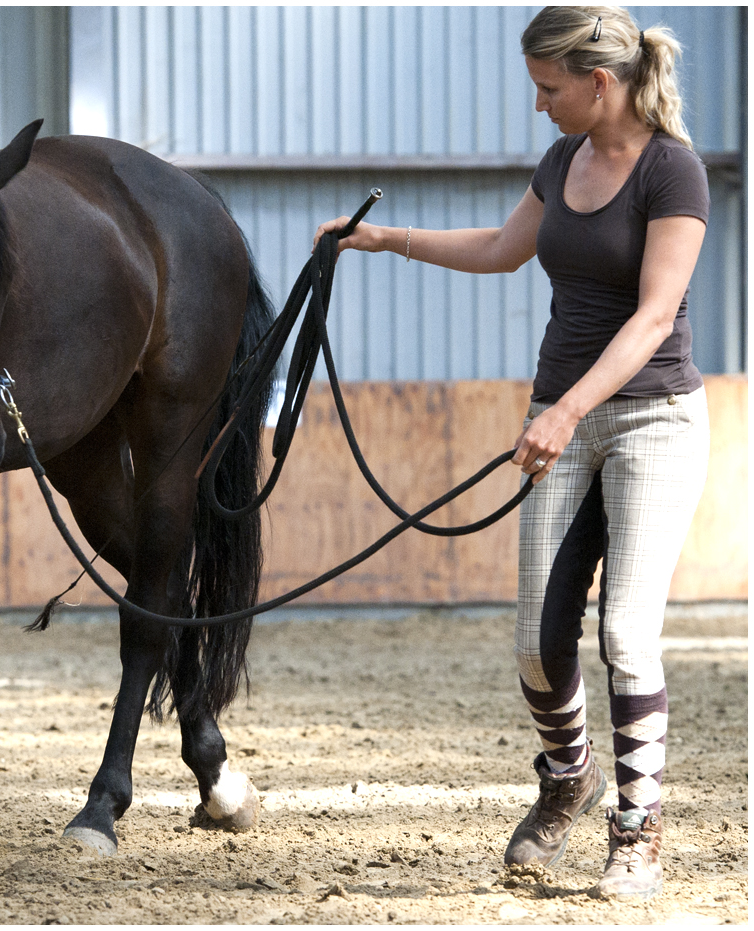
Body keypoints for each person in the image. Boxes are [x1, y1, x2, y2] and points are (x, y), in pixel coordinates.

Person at [315, 6, 709, 901]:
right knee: (535, 644)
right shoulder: (561, 161)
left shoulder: (672, 171)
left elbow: (653, 318)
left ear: (598, 84)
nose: (538, 107)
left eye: (548, 89)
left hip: (650, 422)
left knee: (623, 634)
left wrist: (566, 410)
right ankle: (569, 774)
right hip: (560, 419)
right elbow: (501, 247)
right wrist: (381, 240)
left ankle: (637, 832)